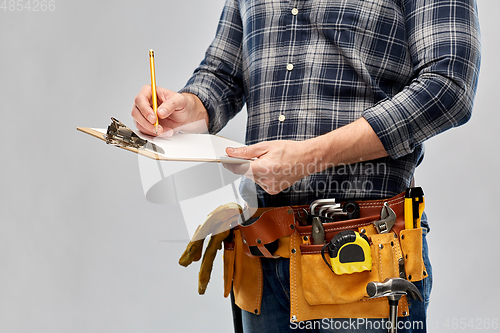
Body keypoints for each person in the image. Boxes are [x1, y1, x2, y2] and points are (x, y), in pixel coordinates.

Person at [132, 0, 481, 331]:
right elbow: (223, 74)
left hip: (366, 261)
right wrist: (190, 105)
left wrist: (311, 156)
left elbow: (448, 86)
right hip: (261, 259)